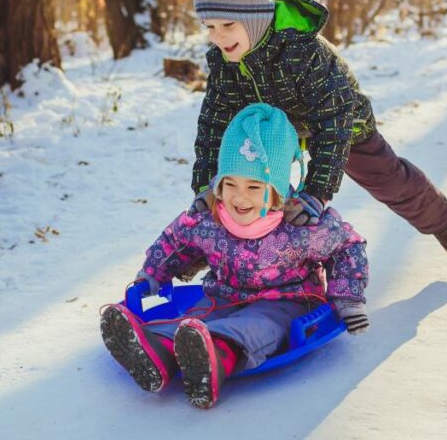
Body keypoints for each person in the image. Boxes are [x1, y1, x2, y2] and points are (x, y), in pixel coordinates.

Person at [189, 0, 447, 255]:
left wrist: (316, 192)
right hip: (275, 128)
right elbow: (215, 124)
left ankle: (443, 222)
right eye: (210, 26)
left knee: (386, 178)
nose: (218, 36)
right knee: (246, 189)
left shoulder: (301, 51)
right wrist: (208, 184)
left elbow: (334, 120)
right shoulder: (224, 62)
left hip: (341, 121)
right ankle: (250, 264)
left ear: (255, 17)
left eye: (228, 25)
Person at [100, 103, 368, 409]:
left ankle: (214, 358)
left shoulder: (301, 226)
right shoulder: (211, 218)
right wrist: (151, 275)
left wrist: (347, 297)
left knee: (254, 326)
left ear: (276, 190)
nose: (240, 197)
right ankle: (156, 352)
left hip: (285, 302)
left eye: (254, 186)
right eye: (230, 184)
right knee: (191, 322)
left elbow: (347, 246)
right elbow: (176, 241)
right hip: (222, 296)